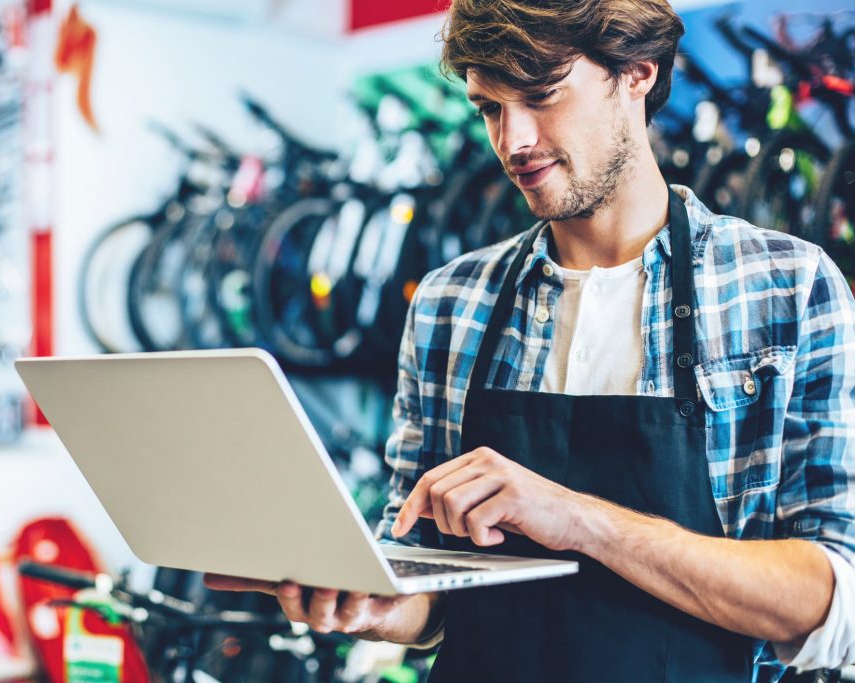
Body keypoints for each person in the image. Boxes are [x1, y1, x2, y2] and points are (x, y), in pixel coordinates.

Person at [205, 0, 855, 680]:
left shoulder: (787, 289)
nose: (512, 141)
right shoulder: (451, 302)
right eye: (489, 107)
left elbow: (827, 601)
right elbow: (430, 587)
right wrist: (374, 603)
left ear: (636, 72)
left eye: (542, 96)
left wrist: (574, 519)